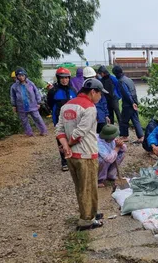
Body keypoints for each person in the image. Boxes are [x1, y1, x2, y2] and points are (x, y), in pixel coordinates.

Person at [55, 78, 108, 231]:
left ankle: (91, 213)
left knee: (81, 186)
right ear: (93, 92)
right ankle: (86, 221)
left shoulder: (67, 105)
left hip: (71, 156)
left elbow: (59, 129)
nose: (100, 97)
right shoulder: (90, 108)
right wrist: (69, 145)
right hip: (85, 154)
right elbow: (80, 133)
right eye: (100, 94)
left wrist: (65, 146)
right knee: (88, 187)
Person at [47, 67, 78, 171]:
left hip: (73, 119)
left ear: (69, 78)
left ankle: (74, 157)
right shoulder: (53, 91)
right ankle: (64, 161)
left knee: (74, 138)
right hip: (59, 119)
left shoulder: (73, 91)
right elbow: (50, 104)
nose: (64, 80)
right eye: (62, 78)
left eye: (66, 78)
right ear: (58, 78)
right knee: (61, 140)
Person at [10, 68, 48, 137]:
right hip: (21, 106)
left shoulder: (31, 84)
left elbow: (37, 93)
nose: (21, 77)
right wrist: (14, 106)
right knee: (24, 121)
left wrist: (39, 102)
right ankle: (29, 133)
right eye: (19, 76)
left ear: (25, 75)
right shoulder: (14, 86)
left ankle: (43, 131)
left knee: (37, 118)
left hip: (32, 105)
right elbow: (13, 97)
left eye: (22, 75)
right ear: (17, 77)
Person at [112, 65, 144, 143]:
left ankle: (124, 136)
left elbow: (126, 93)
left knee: (123, 120)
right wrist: (134, 102)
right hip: (134, 101)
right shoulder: (129, 79)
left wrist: (131, 102)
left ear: (115, 74)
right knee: (135, 119)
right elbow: (133, 91)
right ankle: (141, 137)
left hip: (128, 103)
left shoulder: (121, 81)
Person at [82, 66, 110, 133]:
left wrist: (106, 115)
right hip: (91, 119)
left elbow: (103, 102)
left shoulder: (98, 87)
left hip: (99, 118)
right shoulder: (83, 91)